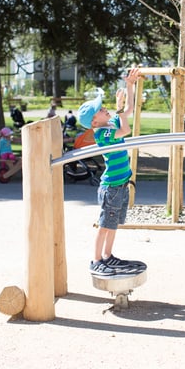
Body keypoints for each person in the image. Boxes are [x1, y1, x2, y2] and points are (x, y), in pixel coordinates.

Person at [76, 68, 142, 276]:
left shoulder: (108, 123)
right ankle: (96, 260)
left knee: (113, 224)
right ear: (94, 122)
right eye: (101, 109)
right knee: (105, 224)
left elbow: (129, 111)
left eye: (104, 107)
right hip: (112, 187)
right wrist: (120, 111)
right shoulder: (102, 132)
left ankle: (108, 255)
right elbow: (125, 130)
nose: (105, 109)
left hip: (120, 184)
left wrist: (130, 86)